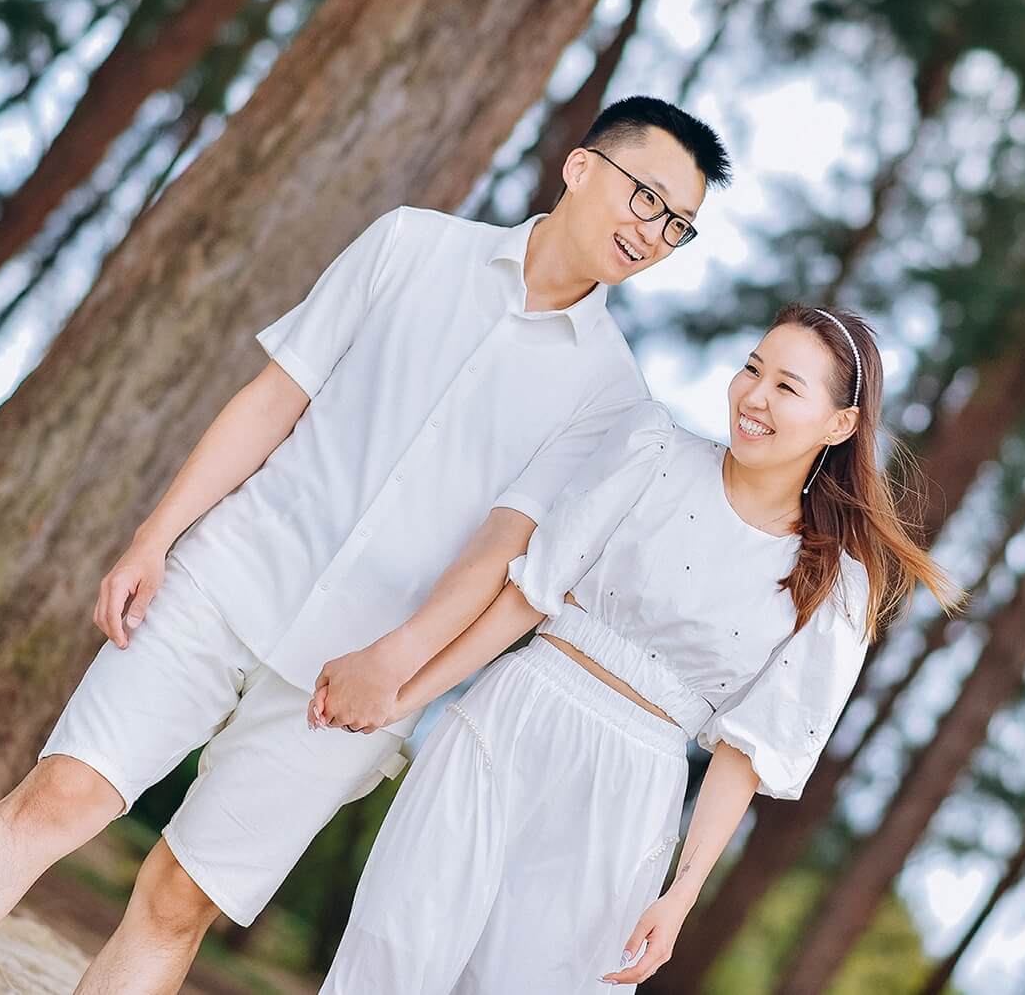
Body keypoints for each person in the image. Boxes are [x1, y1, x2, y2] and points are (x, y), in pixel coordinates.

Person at [0, 98, 730, 995]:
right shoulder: (411, 244)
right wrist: (155, 539)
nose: (653, 231)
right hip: (229, 574)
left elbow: (500, 549)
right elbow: (275, 397)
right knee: (59, 799)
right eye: (646, 197)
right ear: (582, 168)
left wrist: (392, 664)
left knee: (176, 903)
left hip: (351, 679)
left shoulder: (613, 397)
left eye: (679, 225)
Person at [311, 303, 964, 992]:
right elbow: (525, 599)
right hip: (510, 724)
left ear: (840, 425)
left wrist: (680, 898)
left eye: (786, 386)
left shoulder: (834, 585)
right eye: (752, 369)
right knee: (391, 952)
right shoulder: (653, 450)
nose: (754, 396)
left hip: (630, 799)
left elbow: (744, 756)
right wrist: (402, 696)